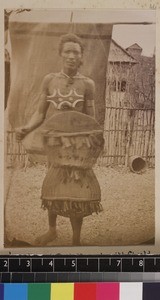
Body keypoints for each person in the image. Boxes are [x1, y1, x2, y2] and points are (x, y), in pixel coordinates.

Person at [16, 33, 103, 246]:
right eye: (68, 51)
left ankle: (76, 240)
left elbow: (90, 118)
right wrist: (27, 127)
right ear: (60, 55)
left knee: (77, 189)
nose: (72, 56)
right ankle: (52, 230)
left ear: (82, 57)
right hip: (55, 143)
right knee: (52, 186)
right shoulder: (50, 80)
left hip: (77, 145)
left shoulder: (87, 84)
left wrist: (93, 137)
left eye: (76, 52)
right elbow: (40, 113)